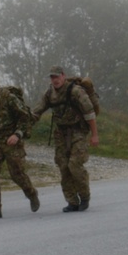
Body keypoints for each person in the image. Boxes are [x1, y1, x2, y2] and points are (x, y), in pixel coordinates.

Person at [31, 65, 99, 213]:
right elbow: (37, 111)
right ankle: (72, 201)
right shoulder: (50, 93)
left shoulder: (76, 91)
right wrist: (24, 127)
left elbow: (90, 113)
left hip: (78, 132)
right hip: (60, 134)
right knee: (63, 167)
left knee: (74, 165)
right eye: (52, 77)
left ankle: (85, 197)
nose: (55, 80)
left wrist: (94, 135)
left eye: (57, 76)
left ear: (63, 75)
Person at [0, 72, 39, 220]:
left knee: (17, 174)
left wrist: (17, 134)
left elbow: (25, 118)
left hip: (12, 141)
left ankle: (31, 193)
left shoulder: (9, 99)